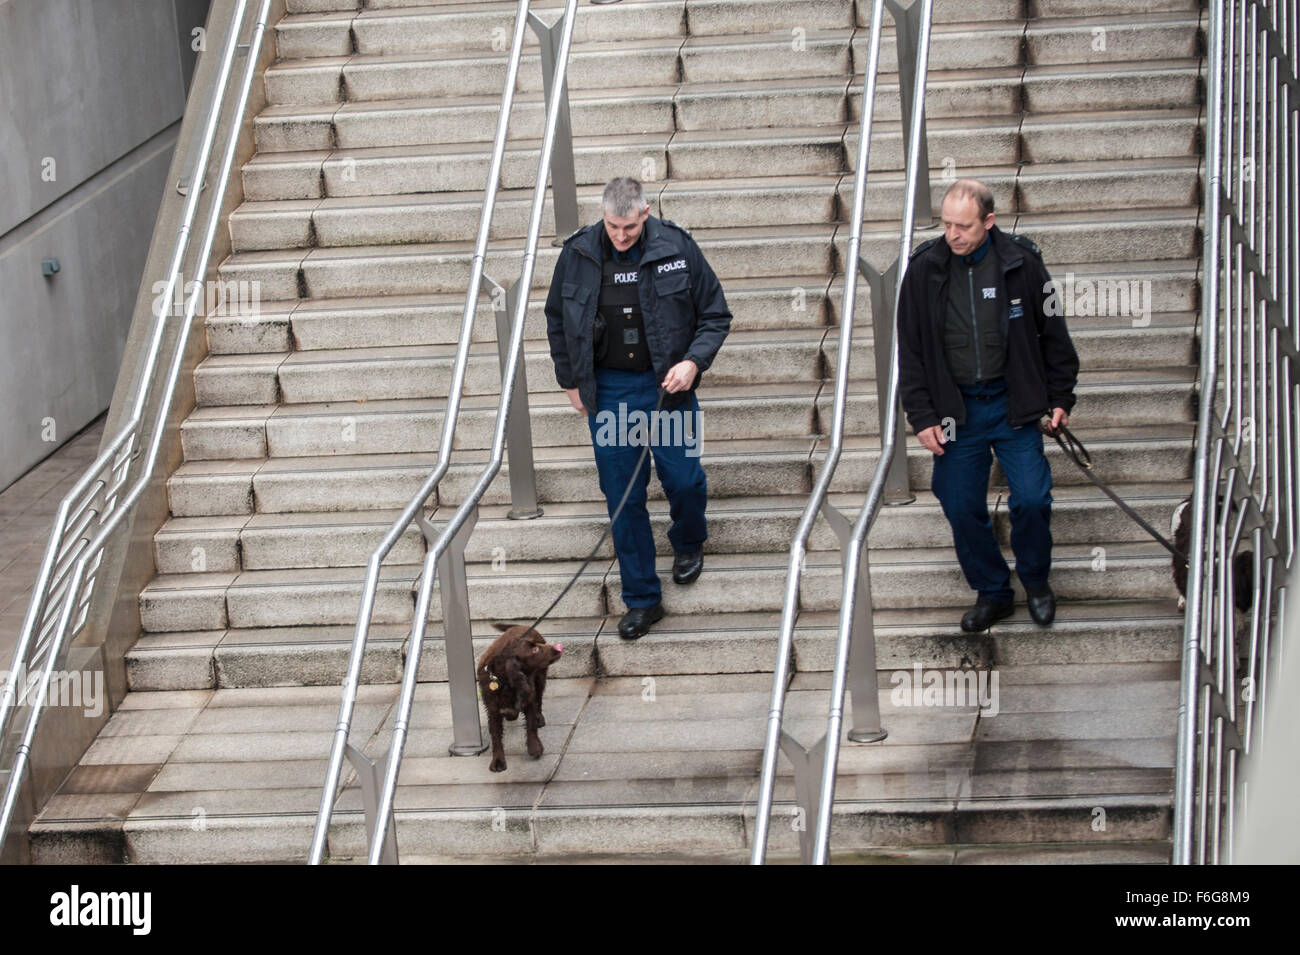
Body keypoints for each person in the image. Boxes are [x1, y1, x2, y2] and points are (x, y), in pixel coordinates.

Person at [544, 177, 732, 639]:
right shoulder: (579, 253)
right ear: (602, 216)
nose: (621, 235)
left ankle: (689, 541)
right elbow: (555, 319)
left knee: (684, 479)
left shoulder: (678, 246)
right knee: (623, 498)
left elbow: (715, 315)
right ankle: (643, 600)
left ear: (645, 214)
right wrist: (569, 381)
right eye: (613, 226)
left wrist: (692, 362)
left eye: (629, 226)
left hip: (666, 388)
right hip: (609, 393)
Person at [897, 178, 1079, 632]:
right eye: (946, 224)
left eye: (964, 226)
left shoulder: (1023, 262)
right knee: (958, 502)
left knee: (1033, 498)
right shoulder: (923, 269)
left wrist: (1060, 398)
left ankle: (1036, 582)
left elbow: (1054, 335)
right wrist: (921, 417)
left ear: (989, 221)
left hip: (1013, 404)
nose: (953, 234)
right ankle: (993, 591)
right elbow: (910, 350)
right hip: (955, 412)